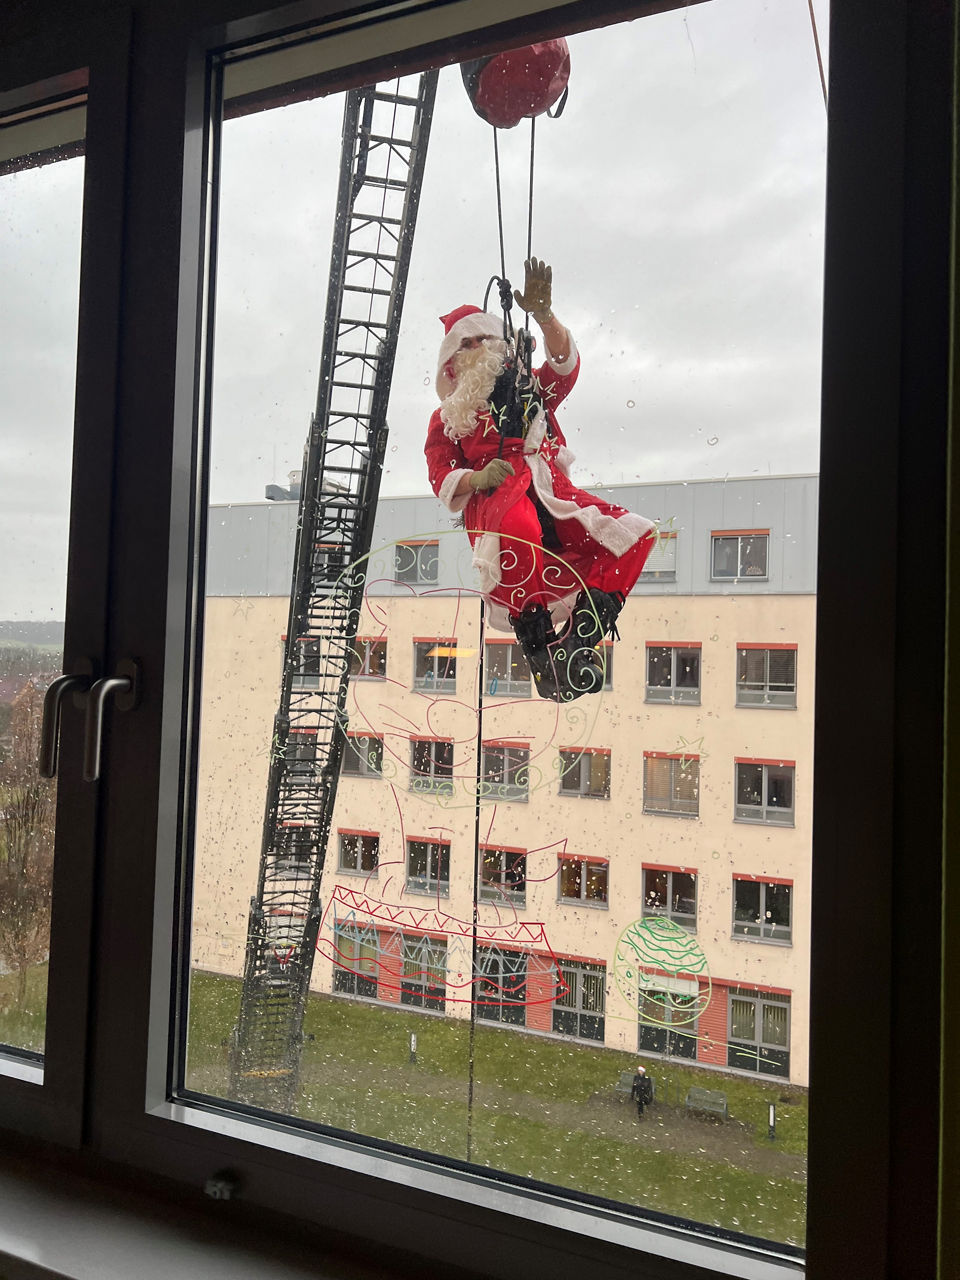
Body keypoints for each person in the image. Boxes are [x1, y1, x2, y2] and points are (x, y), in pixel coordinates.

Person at [424, 259, 656, 701]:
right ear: (452, 358)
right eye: (465, 343)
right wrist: (476, 477)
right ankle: (534, 634)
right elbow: (440, 474)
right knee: (519, 528)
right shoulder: (448, 417)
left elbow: (564, 368)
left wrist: (546, 317)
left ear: (499, 341)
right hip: (496, 495)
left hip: (549, 486)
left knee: (635, 535)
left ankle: (582, 635)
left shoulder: (528, 385)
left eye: (483, 338)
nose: (475, 347)